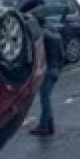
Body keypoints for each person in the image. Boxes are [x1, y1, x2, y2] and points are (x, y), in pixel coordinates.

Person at [30, 7, 66, 137]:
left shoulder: (43, 36)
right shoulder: (55, 33)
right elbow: (62, 54)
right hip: (55, 70)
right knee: (46, 98)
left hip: (48, 71)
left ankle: (44, 126)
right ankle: (49, 125)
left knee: (45, 100)